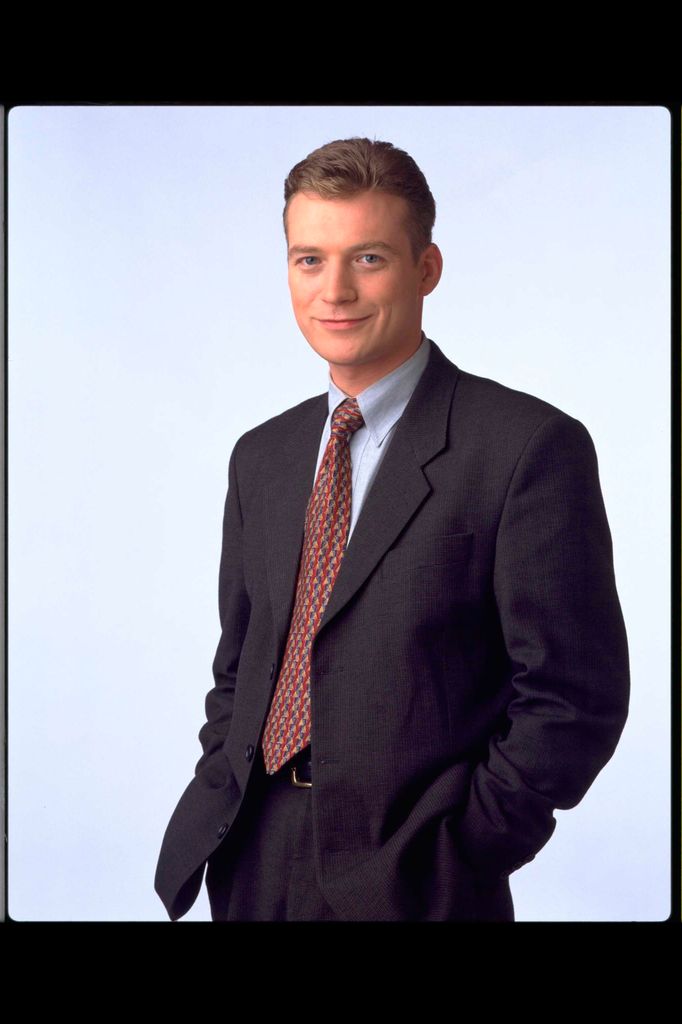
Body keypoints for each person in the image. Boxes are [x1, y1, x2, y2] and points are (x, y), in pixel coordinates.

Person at [154, 137, 630, 922]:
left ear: (427, 269)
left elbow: (574, 697)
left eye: (368, 258)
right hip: (250, 853)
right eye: (309, 259)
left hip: (413, 872)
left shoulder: (525, 448)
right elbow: (240, 665)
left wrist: (464, 844)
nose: (333, 289)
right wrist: (221, 787)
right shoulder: (263, 456)